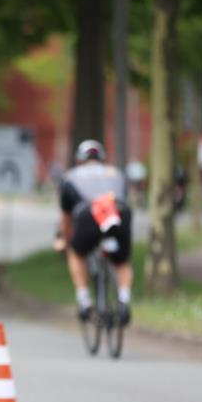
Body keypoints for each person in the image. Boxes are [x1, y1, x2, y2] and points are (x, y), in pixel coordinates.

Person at [56, 139, 133, 325]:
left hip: (89, 214)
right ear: (103, 159)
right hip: (119, 212)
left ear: (79, 160)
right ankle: (124, 300)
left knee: (76, 254)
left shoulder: (70, 177)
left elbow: (66, 217)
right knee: (122, 262)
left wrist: (64, 239)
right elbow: (123, 198)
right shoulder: (117, 173)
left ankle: (84, 301)